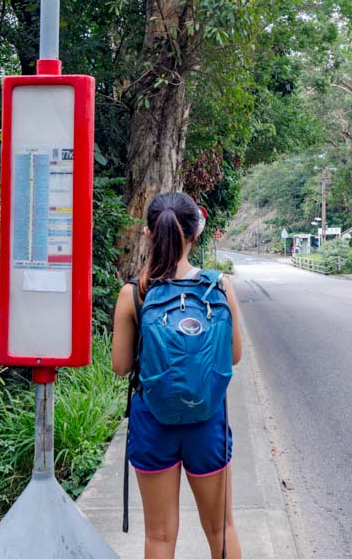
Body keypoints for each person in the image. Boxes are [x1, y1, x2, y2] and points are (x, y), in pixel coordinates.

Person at [111, 192, 243, 559]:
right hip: (207, 420)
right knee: (221, 528)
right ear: (195, 233)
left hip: (153, 421)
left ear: (149, 233)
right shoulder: (218, 287)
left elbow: (120, 366)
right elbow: (233, 356)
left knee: (159, 536)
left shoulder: (134, 293)